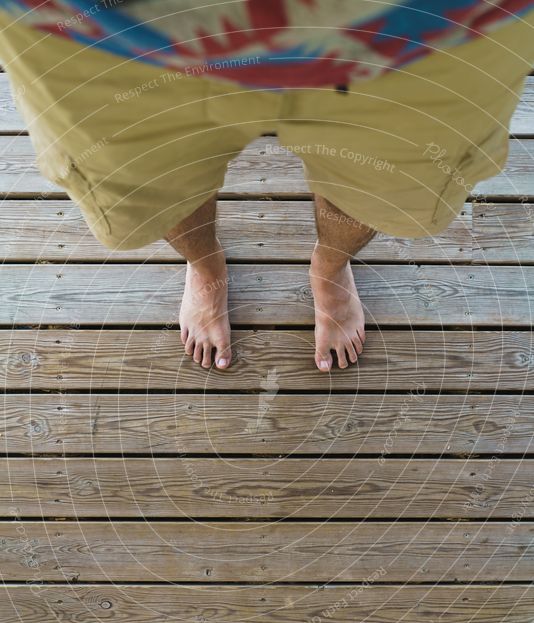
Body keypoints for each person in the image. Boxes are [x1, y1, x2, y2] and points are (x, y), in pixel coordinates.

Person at [0, 0, 533, 371]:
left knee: (393, 191)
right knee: (145, 189)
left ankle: (330, 267)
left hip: (438, 27)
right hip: (99, 33)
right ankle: (205, 268)